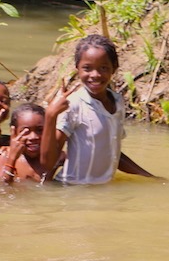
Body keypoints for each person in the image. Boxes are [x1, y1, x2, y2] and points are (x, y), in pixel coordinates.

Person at [40, 34, 156, 184]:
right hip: (72, 190)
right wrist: (50, 115)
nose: (95, 75)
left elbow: (112, 153)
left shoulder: (118, 102)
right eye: (87, 68)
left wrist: (150, 178)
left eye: (103, 68)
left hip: (101, 192)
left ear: (114, 68)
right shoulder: (73, 105)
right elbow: (47, 163)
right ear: (77, 69)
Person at [0, 103, 55, 184]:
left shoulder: (56, 157)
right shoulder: (5, 155)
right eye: (25, 131)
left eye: (40, 130)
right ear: (14, 132)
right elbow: (2, 187)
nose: (33, 137)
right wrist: (12, 159)